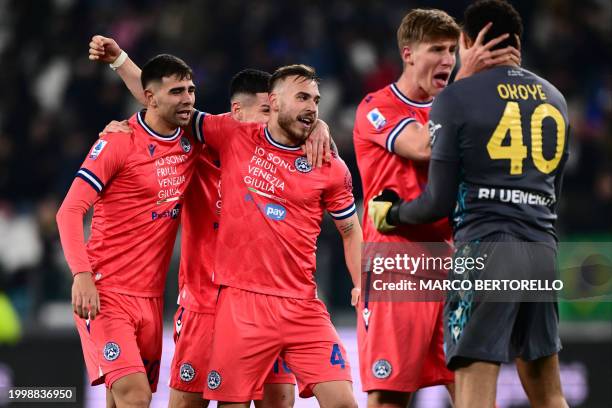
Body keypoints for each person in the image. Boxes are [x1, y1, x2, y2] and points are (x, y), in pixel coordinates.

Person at [88, 36, 332, 408]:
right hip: (204, 306)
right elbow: (162, 100)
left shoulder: (291, 156)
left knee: (278, 401)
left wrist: (319, 125)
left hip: (266, 307)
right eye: (266, 111)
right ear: (235, 113)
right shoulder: (197, 149)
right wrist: (120, 62)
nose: (273, 120)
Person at [368, 1, 570, 407]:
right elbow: (555, 191)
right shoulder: (555, 98)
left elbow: (436, 203)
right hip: (541, 251)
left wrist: (392, 214)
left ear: (467, 41)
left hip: (485, 250)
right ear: (518, 42)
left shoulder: (457, 98)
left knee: (473, 389)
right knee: (549, 393)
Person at [353, 8, 520, 407]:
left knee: (470, 390)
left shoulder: (458, 106)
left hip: (453, 261)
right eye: (436, 50)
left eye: (451, 50)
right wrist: (465, 84)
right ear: (408, 53)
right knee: (389, 396)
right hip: (398, 261)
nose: (447, 59)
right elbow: (425, 146)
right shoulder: (378, 107)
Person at [191, 64, 361, 407]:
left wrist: (361, 283)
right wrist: (120, 60)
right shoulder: (234, 134)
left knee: (344, 402)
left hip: (303, 305)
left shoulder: (330, 165)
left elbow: (350, 230)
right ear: (275, 102)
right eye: (301, 98)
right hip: (243, 303)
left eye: (316, 99)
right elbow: (172, 108)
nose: (312, 107)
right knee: (232, 405)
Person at [56, 54, 200, 408]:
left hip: (151, 300)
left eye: (191, 90)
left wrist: (317, 127)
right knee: (135, 395)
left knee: (126, 398)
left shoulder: (192, 143)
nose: (188, 99)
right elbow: (69, 211)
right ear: (149, 98)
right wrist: (82, 275)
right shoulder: (118, 142)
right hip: (106, 293)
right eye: (177, 91)